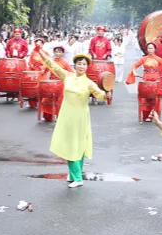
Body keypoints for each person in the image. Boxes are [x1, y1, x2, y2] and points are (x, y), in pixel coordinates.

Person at [37, 47, 109, 186]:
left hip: (80, 117)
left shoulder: (89, 82)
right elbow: (53, 65)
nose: (81, 66)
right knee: (70, 144)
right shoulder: (67, 76)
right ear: (74, 65)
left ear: (87, 67)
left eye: (84, 64)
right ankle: (73, 173)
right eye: (79, 64)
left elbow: (100, 94)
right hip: (66, 115)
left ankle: (77, 178)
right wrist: (41, 53)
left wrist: (106, 95)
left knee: (76, 144)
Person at [126, 42, 162, 122]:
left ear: (154, 49)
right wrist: (134, 72)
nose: (150, 50)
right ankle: (146, 115)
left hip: (156, 80)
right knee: (146, 98)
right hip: (146, 79)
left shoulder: (158, 59)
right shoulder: (144, 59)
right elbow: (134, 66)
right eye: (148, 48)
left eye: (151, 48)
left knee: (156, 98)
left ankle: (154, 114)